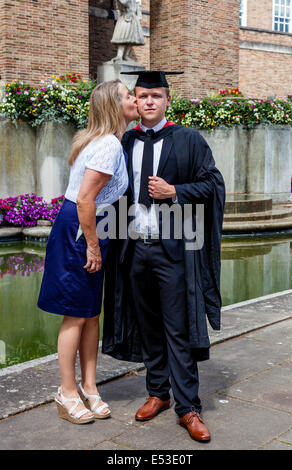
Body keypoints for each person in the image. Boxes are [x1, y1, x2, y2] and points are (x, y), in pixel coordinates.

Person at [102, 70, 225, 442]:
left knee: (179, 327)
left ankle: (189, 407)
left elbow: (213, 184)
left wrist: (175, 191)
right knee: (148, 325)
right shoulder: (123, 142)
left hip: (173, 246)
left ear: (168, 100)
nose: (149, 102)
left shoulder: (187, 139)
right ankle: (158, 393)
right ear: (134, 103)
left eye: (156, 95)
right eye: (142, 96)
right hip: (133, 246)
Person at [37, 79, 139, 424]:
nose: (135, 98)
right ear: (115, 105)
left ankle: (90, 386)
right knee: (76, 313)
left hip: (93, 225)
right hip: (83, 229)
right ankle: (66, 393)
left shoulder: (104, 140)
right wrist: (93, 246)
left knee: (90, 312)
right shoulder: (108, 144)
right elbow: (85, 199)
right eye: (128, 96)